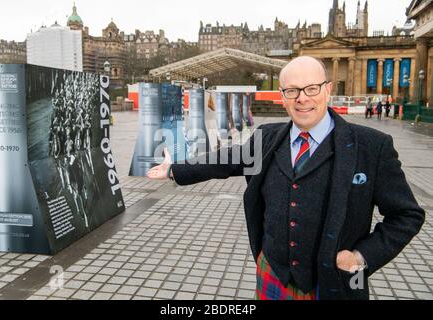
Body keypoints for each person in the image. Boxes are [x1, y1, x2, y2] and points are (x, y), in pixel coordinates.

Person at [147, 56, 425, 300]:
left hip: (336, 283)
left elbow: (407, 215)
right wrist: (176, 169)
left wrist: (362, 257)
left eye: (311, 88)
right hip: (273, 274)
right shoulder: (267, 138)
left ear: (327, 90)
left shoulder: (372, 146)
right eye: (292, 91)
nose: (302, 98)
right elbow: (227, 159)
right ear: (282, 96)